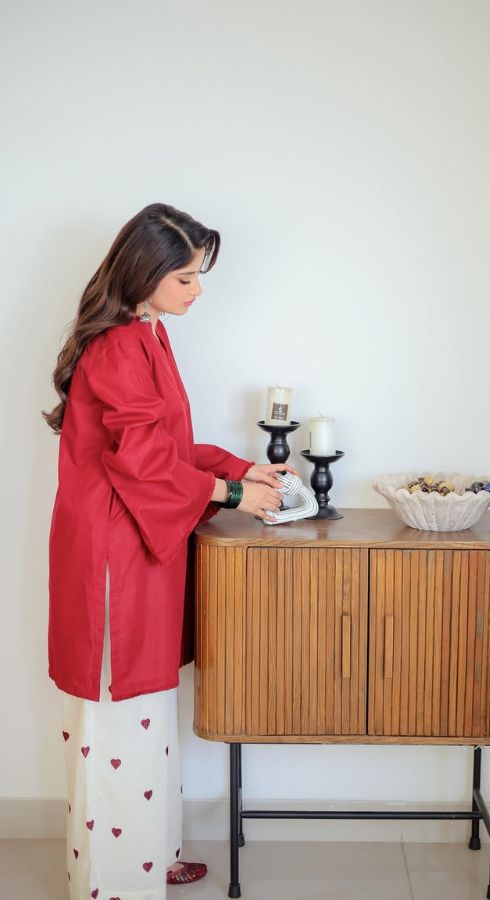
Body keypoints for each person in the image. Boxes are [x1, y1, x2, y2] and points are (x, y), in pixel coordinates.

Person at [42, 202, 301, 899]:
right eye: (187, 278)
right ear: (148, 274)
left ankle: (146, 859)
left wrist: (240, 471)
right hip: (111, 559)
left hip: (134, 547)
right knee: (118, 717)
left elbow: (171, 447)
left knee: (147, 715)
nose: (198, 290)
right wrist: (226, 494)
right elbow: (144, 461)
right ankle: (116, 883)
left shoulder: (148, 335)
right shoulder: (123, 346)